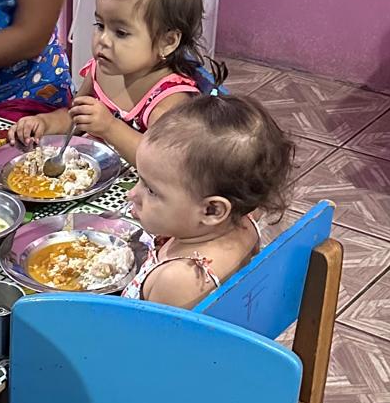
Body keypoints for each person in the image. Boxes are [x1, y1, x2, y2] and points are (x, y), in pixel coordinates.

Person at [10, 0, 221, 165]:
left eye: (120, 33)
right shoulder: (100, 70)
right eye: (100, 25)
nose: (103, 40)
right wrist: (44, 123)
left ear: (167, 42)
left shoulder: (170, 100)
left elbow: (161, 163)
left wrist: (110, 127)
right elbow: (75, 117)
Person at [123, 95, 294, 308]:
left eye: (151, 190)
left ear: (212, 210)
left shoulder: (180, 280)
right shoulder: (245, 218)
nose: (131, 194)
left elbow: (144, 330)